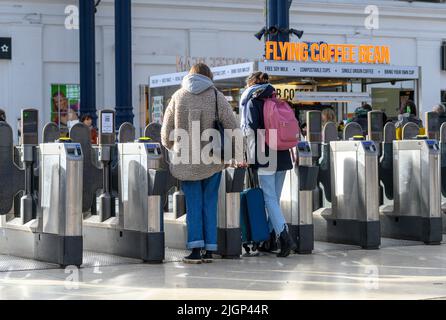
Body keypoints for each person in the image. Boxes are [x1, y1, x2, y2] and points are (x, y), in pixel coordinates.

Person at [161, 63, 242, 264]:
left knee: (193, 204)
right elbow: (233, 126)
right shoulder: (216, 95)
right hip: (213, 159)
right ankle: (210, 248)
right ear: (209, 76)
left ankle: (195, 248)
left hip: (186, 160)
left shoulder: (178, 96)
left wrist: (174, 146)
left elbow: (166, 132)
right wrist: (236, 152)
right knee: (210, 203)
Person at [241, 72, 297, 258]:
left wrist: (249, 157)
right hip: (282, 155)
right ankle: (270, 239)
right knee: (274, 199)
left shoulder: (252, 102)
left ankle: (284, 236)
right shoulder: (277, 100)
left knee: (269, 199)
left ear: (250, 84)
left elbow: (250, 133)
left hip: (265, 156)